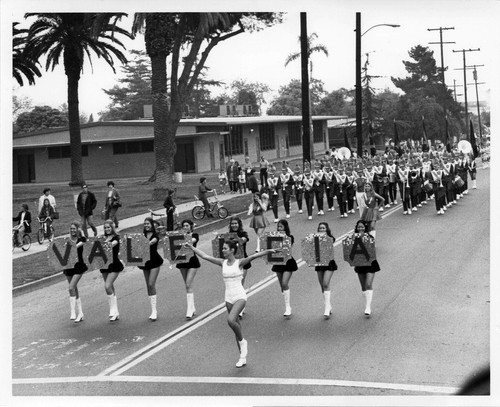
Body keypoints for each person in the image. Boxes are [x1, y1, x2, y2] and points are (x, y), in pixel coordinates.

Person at [186, 239, 275, 368]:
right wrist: (192, 248)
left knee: (231, 320)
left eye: (225, 248)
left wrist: (268, 251)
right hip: (228, 298)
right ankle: (242, 357)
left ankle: (243, 342)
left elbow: (254, 256)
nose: (223, 250)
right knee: (235, 327)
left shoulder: (240, 263)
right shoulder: (222, 263)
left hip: (239, 296)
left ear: (232, 250)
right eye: (223, 248)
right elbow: (205, 256)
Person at [352, 220, 381, 317]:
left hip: (370, 264)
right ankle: (366, 302)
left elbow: (372, 251)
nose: (361, 229)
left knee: (368, 284)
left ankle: (368, 307)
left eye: (362, 227)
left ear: (365, 228)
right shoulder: (352, 239)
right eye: (359, 227)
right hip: (360, 264)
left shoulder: (370, 237)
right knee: (363, 287)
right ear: (356, 228)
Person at [138, 217, 164, 321]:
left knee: (151, 284)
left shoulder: (155, 236)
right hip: (145, 263)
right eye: (145, 224)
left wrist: (144, 244)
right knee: (148, 286)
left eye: (148, 223)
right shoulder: (142, 235)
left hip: (155, 261)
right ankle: (152, 309)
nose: (146, 225)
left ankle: (155, 311)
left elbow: (152, 242)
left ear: (152, 225)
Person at [271, 219, 298, 318]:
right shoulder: (273, 237)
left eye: (281, 227)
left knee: (284, 283)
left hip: (288, 262)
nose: (279, 228)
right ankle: (286, 302)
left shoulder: (290, 237)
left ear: (285, 227)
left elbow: (287, 246)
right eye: (278, 226)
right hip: (278, 262)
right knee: (282, 286)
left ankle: (288, 307)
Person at [100, 220, 124, 321]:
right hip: (105, 265)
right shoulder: (103, 238)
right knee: (111, 288)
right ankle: (116, 312)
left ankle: (112, 309)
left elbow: (111, 245)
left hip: (114, 265)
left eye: (108, 227)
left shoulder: (116, 238)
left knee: (107, 286)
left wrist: (101, 244)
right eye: (105, 228)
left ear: (112, 228)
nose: (107, 229)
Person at [64, 221, 88, 323]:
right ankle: (80, 313)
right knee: (74, 289)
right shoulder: (68, 241)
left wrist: (81, 232)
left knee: (71, 288)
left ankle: (73, 311)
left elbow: (81, 242)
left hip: (79, 267)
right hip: (69, 267)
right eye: (71, 229)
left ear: (78, 229)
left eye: (74, 228)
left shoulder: (81, 240)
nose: (72, 230)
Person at [176, 219, 200, 319]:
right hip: (182, 262)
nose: (185, 227)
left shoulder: (195, 235)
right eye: (183, 226)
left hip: (192, 262)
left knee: (188, 283)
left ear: (191, 226)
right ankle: (192, 307)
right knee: (187, 285)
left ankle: (189, 310)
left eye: (187, 226)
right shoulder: (179, 236)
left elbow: (192, 241)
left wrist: (182, 238)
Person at [314, 222, 338, 319]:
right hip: (320, 264)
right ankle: (328, 305)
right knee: (322, 286)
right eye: (320, 228)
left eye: (324, 228)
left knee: (325, 284)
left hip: (329, 264)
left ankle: (327, 308)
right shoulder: (315, 239)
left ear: (327, 229)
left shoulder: (330, 238)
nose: (322, 230)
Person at [228, 217, 251, 318]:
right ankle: (236, 305)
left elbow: (242, 241)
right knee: (233, 285)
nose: (234, 225)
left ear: (239, 224)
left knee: (240, 284)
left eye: (236, 224)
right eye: (232, 224)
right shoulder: (227, 235)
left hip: (243, 262)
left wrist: (234, 237)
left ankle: (241, 308)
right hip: (233, 263)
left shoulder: (243, 234)